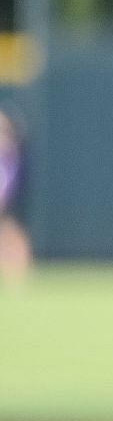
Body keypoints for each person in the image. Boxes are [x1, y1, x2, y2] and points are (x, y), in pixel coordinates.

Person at [0, 108, 29, 288]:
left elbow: (8, 179)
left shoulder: (9, 151)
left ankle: (19, 273)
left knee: (11, 234)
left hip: (9, 199)